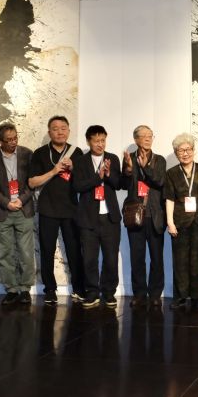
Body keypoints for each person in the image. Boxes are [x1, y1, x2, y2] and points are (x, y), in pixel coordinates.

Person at [28, 115, 84, 304]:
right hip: (47, 209)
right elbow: (32, 182)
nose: (60, 132)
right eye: (55, 128)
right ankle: (50, 290)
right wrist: (53, 171)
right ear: (49, 132)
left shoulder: (77, 153)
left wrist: (74, 168)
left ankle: (79, 288)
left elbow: (84, 181)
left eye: (63, 128)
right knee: (47, 250)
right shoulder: (40, 153)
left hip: (71, 210)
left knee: (75, 250)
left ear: (69, 130)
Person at [0, 123, 36, 305]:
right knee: (4, 253)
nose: (13, 142)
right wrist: (6, 202)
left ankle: (25, 289)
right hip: (2, 210)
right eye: (9, 140)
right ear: (0, 141)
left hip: (24, 208)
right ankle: (11, 289)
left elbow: (32, 182)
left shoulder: (27, 154)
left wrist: (21, 200)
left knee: (26, 252)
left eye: (15, 138)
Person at [72, 125, 122, 309]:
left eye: (103, 140)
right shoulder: (80, 161)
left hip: (110, 217)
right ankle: (92, 292)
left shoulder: (112, 158)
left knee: (111, 258)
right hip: (88, 218)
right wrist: (97, 177)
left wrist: (108, 175)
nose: (100, 144)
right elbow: (77, 186)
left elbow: (118, 184)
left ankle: (109, 293)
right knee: (89, 259)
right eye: (96, 141)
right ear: (88, 141)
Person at [164, 133, 198, 311]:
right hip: (179, 222)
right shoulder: (171, 173)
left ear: (193, 150)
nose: (185, 153)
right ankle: (180, 297)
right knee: (180, 260)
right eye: (180, 150)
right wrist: (170, 222)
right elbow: (169, 199)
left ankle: (196, 297)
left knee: (197, 259)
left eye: (188, 149)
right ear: (176, 153)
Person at [122, 125, 166, 308]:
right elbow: (124, 184)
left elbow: (159, 181)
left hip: (154, 216)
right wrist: (128, 170)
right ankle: (139, 294)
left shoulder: (159, 160)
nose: (148, 138)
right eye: (143, 136)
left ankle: (155, 294)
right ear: (136, 139)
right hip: (135, 215)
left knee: (157, 258)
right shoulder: (129, 159)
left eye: (150, 135)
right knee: (137, 257)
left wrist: (145, 166)